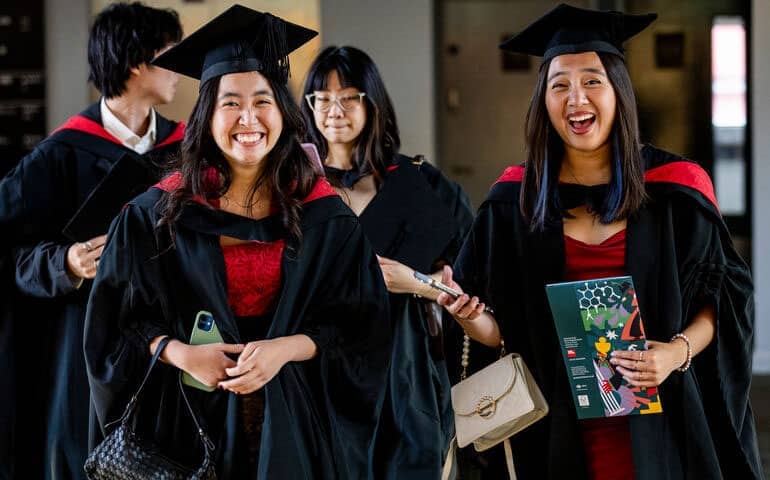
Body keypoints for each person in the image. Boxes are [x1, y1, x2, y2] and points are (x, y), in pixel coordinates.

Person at [438, 4, 763, 479]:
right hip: (554, 430)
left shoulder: (675, 189)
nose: (576, 98)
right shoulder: (515, 202)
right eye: (559, 85)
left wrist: (673, 354)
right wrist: (468, 317)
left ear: (619, 93)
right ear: (542, 103)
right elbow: (501, 333)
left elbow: (723, 300)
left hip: (663, 425)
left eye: (592, 81)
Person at [84, 5, 392, 479]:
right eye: (230, 103)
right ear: (207, 115)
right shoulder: (158, 216)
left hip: (294, 427)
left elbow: (360, 326)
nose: (248, 118)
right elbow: (116, 323)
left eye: (262, 101)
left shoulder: (324, 216)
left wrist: (286, 348)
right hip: (186, 429)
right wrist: (181, 353)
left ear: (284, 113)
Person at [0, 3, 183, 478]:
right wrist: (65, 263)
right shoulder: (56, 159)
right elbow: (4, 261)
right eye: (171, 51)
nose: (181, 66)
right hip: (83, 353)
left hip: (173, 347)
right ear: (136, 62)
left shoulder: (184, 151)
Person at [301, 46, 473, 479]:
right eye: (321, 98)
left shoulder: (421, 184)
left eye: (349, 97)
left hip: (405, 370)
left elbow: (465, 286)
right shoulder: (294, 191)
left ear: (372, 103)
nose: (333, 110)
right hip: (320, 370)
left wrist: (413, 281)